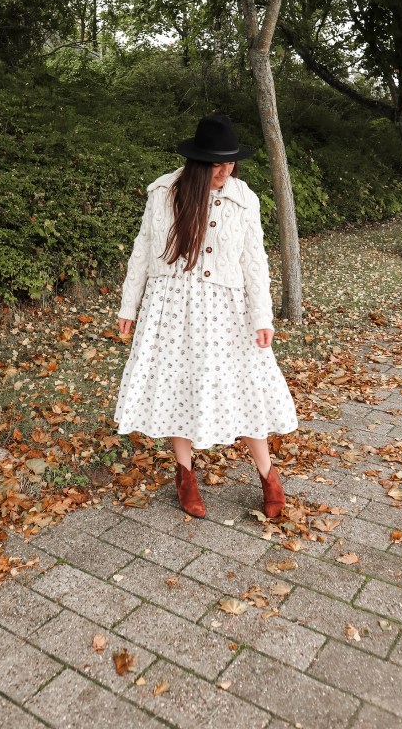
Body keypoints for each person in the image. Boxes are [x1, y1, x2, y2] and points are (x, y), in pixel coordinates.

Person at [115, 113, 298, 518]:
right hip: (171, 306)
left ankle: (268, 475)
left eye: (230, 162)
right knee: (177, 386)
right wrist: (129, 305)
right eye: (217, 164)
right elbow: (142, 250)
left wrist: (262, 316)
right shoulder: (164, 192)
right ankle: (185, 475)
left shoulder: (244, 198)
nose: (225, 171)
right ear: (198, 163)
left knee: (246, 386)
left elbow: (255, 261)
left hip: (227, 310)